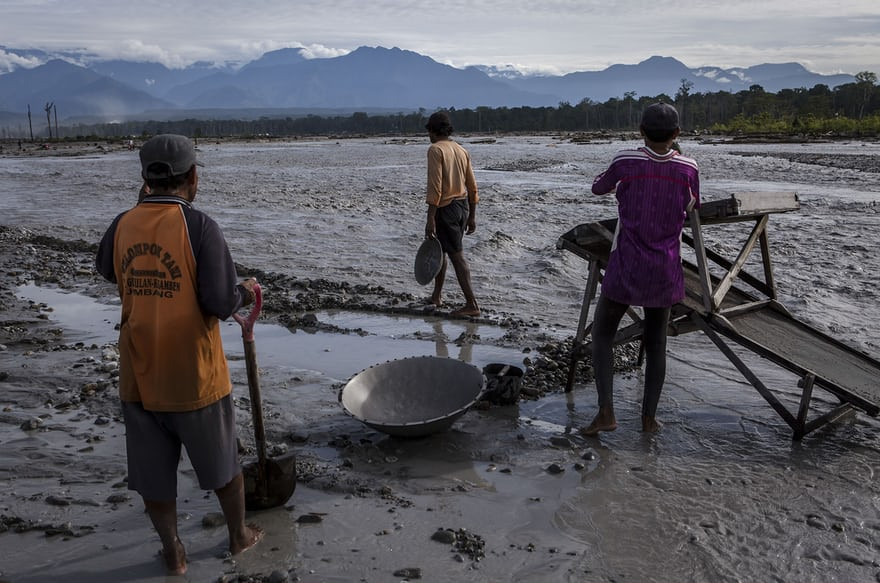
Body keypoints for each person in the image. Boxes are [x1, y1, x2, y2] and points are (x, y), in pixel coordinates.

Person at [95, 134, 262, 575]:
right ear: (193, 177)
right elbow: (219, 302)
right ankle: (239, 536)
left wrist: (137, 207)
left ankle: (173, 551)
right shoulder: (200, 227)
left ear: (145, 178)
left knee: (154, 476)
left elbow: (107, 269)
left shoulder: (122, 224)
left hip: (138, 372)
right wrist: (245, 291)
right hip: (193, 374)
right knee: (224, 464)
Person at [580, 103, 700, 436]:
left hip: (627, 264)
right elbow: (693, 206)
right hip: (664, 268)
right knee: (657, 341)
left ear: (641, 132)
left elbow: (598, 187)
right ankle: (649, 419)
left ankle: (607, 412)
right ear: (676, 135)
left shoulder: (625, 160)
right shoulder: (689, 167)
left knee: (603, 335)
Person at [424, 111, 480, 317]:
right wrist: (472, 215)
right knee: (442, 250)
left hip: (445, 208)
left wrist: (430, 217)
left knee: (457, 256)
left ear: (432, 130)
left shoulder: (435, 150)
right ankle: (437, 295)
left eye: (429, 130)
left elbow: (435, 188)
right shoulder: (460, 149)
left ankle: (472, 304)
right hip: (462, 205)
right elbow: (472, 186)